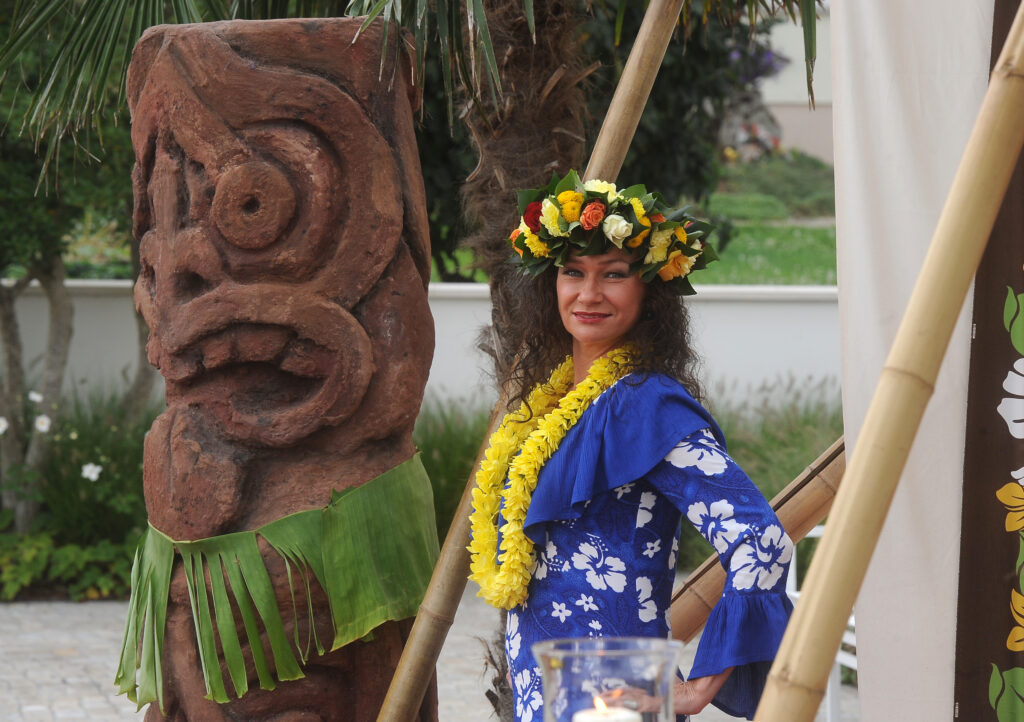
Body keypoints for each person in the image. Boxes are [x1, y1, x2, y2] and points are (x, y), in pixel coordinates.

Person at [467, 170, 794, 721]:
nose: (588, 294)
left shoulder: (647, 405)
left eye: (613, 274)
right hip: (541, 696)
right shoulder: (544, 409)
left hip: (614, 703)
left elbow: (761, 540)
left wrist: (693, 688)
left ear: (650, 291)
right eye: (573, 272)